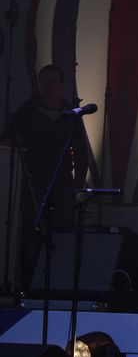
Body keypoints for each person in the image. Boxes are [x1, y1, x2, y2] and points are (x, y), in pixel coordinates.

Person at [10, 64, 89, 291]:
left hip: (62, 187)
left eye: (54, 81)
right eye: (45, 81)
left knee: (61, 240)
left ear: (62, 85)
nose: (49, 85)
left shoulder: (72, 114)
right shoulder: (27, 111)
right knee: (31, 240)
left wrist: (77, 185)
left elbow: (81, 152)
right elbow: (9, 138)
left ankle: (57, 290)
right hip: (33, 184)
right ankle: (28, 291)